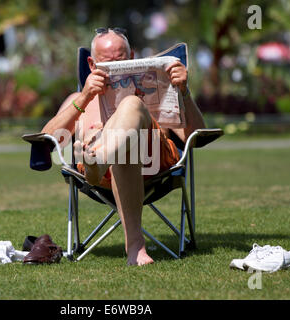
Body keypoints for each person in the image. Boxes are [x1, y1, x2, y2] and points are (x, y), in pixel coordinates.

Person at [41, 28, 206, 266]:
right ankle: (135, 249)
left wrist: (184, 92)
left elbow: (197, 136)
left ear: (133, 57)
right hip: (102, 176)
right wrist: (85, 97)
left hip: (153, 165)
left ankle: (100, 158)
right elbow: (48, 140)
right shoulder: (79, 100)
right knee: (125, 144)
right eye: (107, 64)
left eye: (122, 61)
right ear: (91, 63)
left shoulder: (160, 91)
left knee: (131, 104)